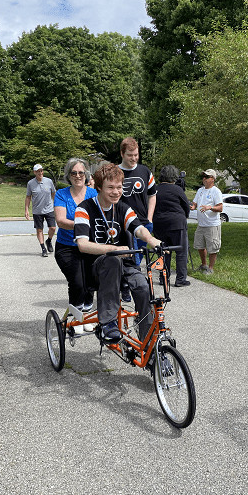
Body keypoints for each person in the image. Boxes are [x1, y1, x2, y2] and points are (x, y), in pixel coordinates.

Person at [74, 163, 161, 344]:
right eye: (110, 188)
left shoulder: (123, 208)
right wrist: (114, 250)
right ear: (98, 187)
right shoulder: (84, 208)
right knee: (112, 261)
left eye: (119, 187)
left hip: (125, 265)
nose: (116, 192)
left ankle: (148, 342)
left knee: (143, 287)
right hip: (96, 268)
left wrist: (152, 240)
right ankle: (108, 324)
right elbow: (82, 245)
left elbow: (138, 228)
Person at [54, 158, 98, 333]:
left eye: (81, 172)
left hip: (88, 245)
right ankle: (76, 319)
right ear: (69, 175)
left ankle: (85, 317)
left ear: (86, 174)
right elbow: (61, 221)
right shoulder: (61, 194)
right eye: (74, 173)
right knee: (78, 282)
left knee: (91, 282)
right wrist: (83, 223)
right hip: (67, 246)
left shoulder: (93, 194)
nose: (78, 176)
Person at [118, 137, 157, 302]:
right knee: (127, 258)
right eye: (130, 155)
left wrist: (149, 218)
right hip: (122, 224)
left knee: (138, 258)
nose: (133, 158)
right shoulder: (115, 172)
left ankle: (131, 286)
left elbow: (152, 195)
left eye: (136, 155)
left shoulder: (145, 171)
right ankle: (125, 287)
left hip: (142, 222)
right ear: (122, 154)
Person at [153, 165, 191, 287]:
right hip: (176, 223)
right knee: (181, 251)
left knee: (163, 251)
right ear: (174, 177)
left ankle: (163, 278)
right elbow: (186, 206)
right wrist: (184, 217)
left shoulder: (155, 189)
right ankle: (180, 279)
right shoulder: (177, 189)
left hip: (159, 224)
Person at [190, 169, 223, 275]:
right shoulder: (200, 190)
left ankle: (210, 268)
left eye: (206, 177)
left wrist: (210, 207)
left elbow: (220, 208)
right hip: (201, 224)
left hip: (212, 225)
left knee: (212, 247)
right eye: (203, 176)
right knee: (199, 245)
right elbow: (195, 203)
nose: (204, 178)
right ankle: (203, 265)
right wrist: (192, 206)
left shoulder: (216, 191)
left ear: (212, 179)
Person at [25, 164, 56, 257]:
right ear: (34, 172)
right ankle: (43, 248)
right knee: (39, 230)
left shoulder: (49, 181)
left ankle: (49, 240)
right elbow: (28, 197)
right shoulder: (30, 183)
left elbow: (54, 193)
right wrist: (26, 210)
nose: (40, 173)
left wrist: (57, 205)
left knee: (53, 228)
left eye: (41, 171)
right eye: (38, 171)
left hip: (49, 209)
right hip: (37, 211)